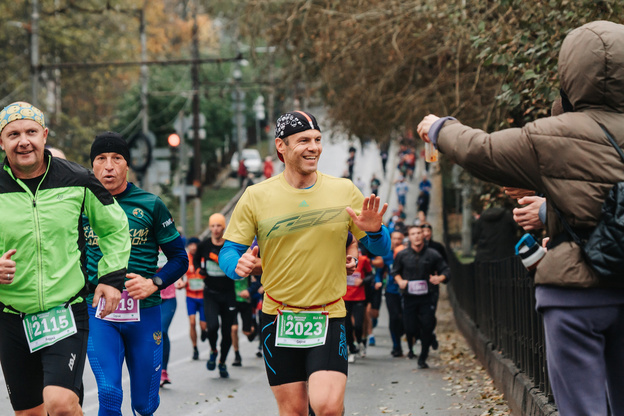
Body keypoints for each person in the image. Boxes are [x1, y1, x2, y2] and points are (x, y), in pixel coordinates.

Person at [416, 20, 624, 415]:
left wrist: (439, 128)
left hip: (573, 296)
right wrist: (547, 210)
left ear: (571, 73)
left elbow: (483, 151)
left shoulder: (550, 135)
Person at [218, 110, 391, 416]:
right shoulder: (256, 196)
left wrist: (376, 231)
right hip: (277, 317)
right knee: (294, 411)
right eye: (304, 141)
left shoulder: (344, 191)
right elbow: (230, 251)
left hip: (328, 314)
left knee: (326, 406)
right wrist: (237, 266)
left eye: (317, 140)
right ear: (281, 146)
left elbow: (381, 250)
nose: (314, 147)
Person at [0, 102, 131, 416]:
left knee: (60, 405)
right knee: (29, 413)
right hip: (10, 316)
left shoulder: (78, 179)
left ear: (44, 135)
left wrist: (111, 280)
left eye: (31, 131)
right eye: (13, 134)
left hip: (65, 311)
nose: (23, 141)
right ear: (1, 142)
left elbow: (115, 227)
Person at [84, 131, 188, 416]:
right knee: (108, 393)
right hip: (99, 313)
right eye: (101, 159)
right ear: (92, 166)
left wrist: (154, 282)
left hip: (144, 312)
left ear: (127, 165)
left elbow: (180, 259)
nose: (109, 166)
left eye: (117, 158)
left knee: (144, 404)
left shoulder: (150, 204)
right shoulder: (80, 206)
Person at [392, 226, 450, 369]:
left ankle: (423, 357)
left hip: (427, 296)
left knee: (427, 326)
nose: (416, 236)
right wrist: (400, 281)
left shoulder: (433, 254)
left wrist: (440, 278)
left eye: (419, 233)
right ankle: (417, 339)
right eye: (413, 234)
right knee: (410, 328)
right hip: (410, 297)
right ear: (409, 237)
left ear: (423, 235)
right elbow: (395, 272)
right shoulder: (402, 255)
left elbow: (446, 270)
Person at [194, 213, 234, 378]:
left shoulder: (230, 245)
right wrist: (199, 270)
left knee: (227, 332)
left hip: (228, 293)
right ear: (209, 228)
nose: (216, 229)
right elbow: (195, 259)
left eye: (219, 226)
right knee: (213, 327)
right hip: (210, 293)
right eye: (213, 226)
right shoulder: (204, 245)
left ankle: (223, 362)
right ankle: (213, 350)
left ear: (224, 227)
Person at [178, 237, 206, 362]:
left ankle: (204, 331)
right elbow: (179, 275)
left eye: (196, 245)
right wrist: (181, 283)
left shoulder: (204, 257)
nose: (193, 247)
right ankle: (195, 348)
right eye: (191, 245)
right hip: (190, 296)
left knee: (203, 325)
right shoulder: (185, 258)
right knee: (192, 322)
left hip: (204, 296)